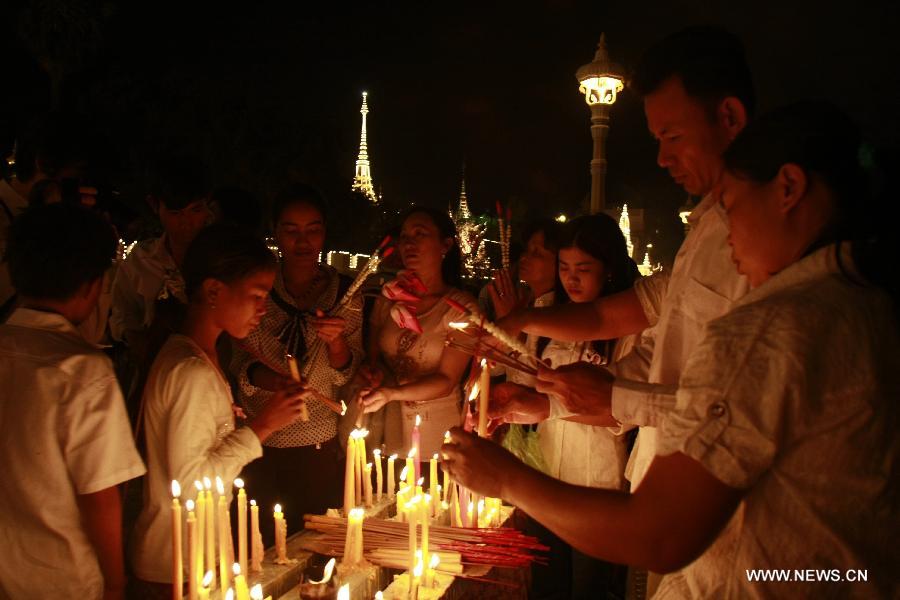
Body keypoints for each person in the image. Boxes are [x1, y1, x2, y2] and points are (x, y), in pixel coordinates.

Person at [445, 101, 900, 598]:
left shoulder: (771, 327)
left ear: (787, 189)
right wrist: (580, 384)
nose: (725, 239)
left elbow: (661, 533)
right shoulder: (863, 304)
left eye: (731, 204)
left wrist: (506, 479)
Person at [129, 225, 307, 590]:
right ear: (213, 290)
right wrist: (262, 427)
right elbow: (191, 485)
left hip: (193, 556)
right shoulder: (190, 371)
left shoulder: (200, 356)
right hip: (176, 566)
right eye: (256, 296)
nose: (262, 310)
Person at [0, 204, 146, 599]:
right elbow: (99, 496)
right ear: (92, 286)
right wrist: (115, 582)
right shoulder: (83, 371)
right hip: (60, 579)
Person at [494, 214, 640, 598]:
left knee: (588, 590)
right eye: (564, 268)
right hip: (547, 479)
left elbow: (623, 410)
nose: (571, 279)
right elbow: (537, 391)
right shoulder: (552, 324)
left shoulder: (630, 333)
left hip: (598, 489)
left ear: (608, 270)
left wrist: (546, 406)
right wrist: (519, 403)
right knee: (546, 588)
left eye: (583, 269)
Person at [231, 184, 363, 540]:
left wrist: (336, 343)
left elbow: (347, 373)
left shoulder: (346, 295)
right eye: (291, 230)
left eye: (312, 229)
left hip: (318, 439)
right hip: (262, 435)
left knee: (313, 543)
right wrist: (275, 383)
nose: (302, 241)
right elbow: (240, 363)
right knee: (260, 543)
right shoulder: (258, 288)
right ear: (275, 231)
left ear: (324, 232)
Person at [359, 206, 477, 459]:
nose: (409, 243)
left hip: (436, 435)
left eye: (420, 234)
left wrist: (392, 393)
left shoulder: (461, 309)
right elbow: (372, 355)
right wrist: (373, 372)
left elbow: (447, 380)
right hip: (385, 428)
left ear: (445, 245)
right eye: (404, 237)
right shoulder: (387, 298)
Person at [109, 156, 212, 350]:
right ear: (154, 205)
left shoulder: (222, 259)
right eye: (176, 213)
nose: (187, 222)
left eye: (196, 210)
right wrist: (135, 338)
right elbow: (122, 313)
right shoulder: (141, 260)